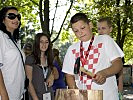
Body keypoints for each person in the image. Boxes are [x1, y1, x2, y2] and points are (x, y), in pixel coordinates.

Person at [62, 13, 123, 100]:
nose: (80, 33)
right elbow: (69, 75)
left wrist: (105, 73)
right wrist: (76, 93)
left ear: (90, 25)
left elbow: (118, 63)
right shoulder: (72, 49)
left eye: (83, 28)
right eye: (76, 31)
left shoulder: (105, 40)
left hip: (107, 96)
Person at [0, 6, 25, 100]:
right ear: (2, 19)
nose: (16, 19)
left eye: (18, 17)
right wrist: (4, 95)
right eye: (11, 16)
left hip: (18, 95)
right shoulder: (0, 36)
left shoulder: (16, 41)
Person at [25, 33, 59, 100]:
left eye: (46, 42)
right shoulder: (30, 59)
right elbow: (28, 82)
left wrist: (52, 75)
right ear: (37, 43)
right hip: (36, 97)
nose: (44, 44)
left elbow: (57, 75)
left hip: (49, 96)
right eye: (41, 42)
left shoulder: (49, 58)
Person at [97, 17, 124, 100]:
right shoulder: (98, 43)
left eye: (103, 28)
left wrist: (120, 86)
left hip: (109, 84)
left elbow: (120, 67)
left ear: (110, 29)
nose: (101, 31)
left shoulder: (111, 41)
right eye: (98, 29)